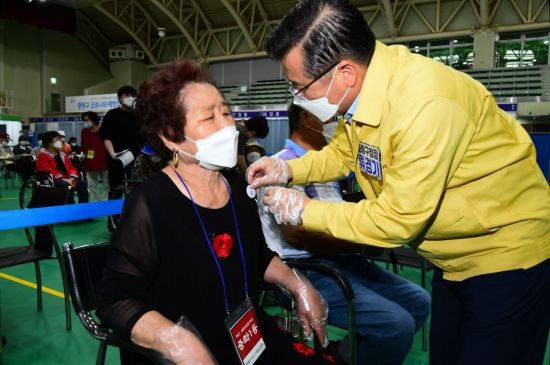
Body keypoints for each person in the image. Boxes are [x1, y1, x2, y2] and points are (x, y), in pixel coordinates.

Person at [247, 1, 550, 364]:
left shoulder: (424, 105)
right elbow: (345, 154)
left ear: (344, 73)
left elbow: (395, 220)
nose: (297, 97)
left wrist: (305, 210)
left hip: (506, 255)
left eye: (300, 87)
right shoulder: (363, 92)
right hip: (454, 257)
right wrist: (290, 171)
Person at [96, 60, 332, 365]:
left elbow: (257, 256)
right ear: (171, 137)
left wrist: (298, 283)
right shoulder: (150, 202)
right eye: (209, 117)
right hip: (185, 347)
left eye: (226, 112)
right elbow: (115, 300)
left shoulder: (235, 185)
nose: (227, 126)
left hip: (247, 336)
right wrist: (176, 341)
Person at [258, 103, 431, 364]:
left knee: (419, 301)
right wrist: (359, 243)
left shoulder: (327, 164)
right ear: (306, 118)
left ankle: (343, 355)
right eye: (329, 118)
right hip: (305, 267)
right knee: (396, 325)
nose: (336, 124)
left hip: (341, 260)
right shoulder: (282, 165)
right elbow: (297, 235)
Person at [99, 85, 144, 198]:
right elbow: (106, 137)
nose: (130, 98)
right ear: (119, 98)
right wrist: (113, 154)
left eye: (133, 95)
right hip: (116, 158)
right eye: (127, 95)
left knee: (137, 188)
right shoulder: (111, 115)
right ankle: (114, 215)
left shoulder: (140, 115)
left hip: (137, 158)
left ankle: (135, 214)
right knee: (116, 188)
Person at [36, 131, 89, 204]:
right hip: (53, 180)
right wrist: (63, 179)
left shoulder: (62, 154)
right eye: (57, 139)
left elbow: (71, 168)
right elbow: (47, 170)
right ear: (49, 143)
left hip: (68, 179)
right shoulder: (43, 155)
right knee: (67, 186)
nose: (60, 141)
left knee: (83, 183)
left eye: (60, 139)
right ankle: (70, 209)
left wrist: (72, 177)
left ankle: (84, 208)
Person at [81, 111, 109, 202]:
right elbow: (84, 146)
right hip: (90, 161)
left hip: (104, 160)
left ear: (93, 120)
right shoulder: (84, 131)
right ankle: (94, 202)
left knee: (107, 183)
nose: (85, 122)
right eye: (84, 120)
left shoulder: (104, 130)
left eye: (87, 120)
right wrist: (83, 154)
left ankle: (105, 201)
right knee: (92, 184)